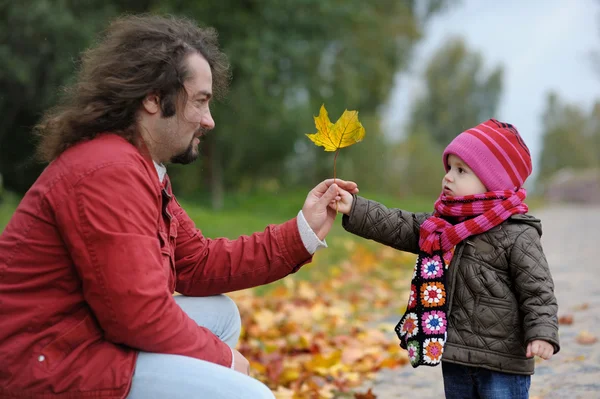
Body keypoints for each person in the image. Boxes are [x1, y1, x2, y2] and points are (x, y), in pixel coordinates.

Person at [0, 14, 358, 399]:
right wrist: (225, 360)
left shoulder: (138, 167)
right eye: (201, 102)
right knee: (251, 396)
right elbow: (138, 315)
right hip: (41, 364)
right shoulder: (108, 171)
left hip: (77, 334)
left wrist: (302, 231)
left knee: (220, 315)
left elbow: (198, 262)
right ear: (153, 99)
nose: (209, 120)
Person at [334, 119, 559, 399]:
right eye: (449, 167)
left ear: (493, 182)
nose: (448, 177)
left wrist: (542, 333)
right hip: (455, 355)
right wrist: (355, 207)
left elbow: (538, 291)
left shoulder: (518, 234)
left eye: (461, 170)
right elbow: (400, 225)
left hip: (502, 362)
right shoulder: (441, 224)